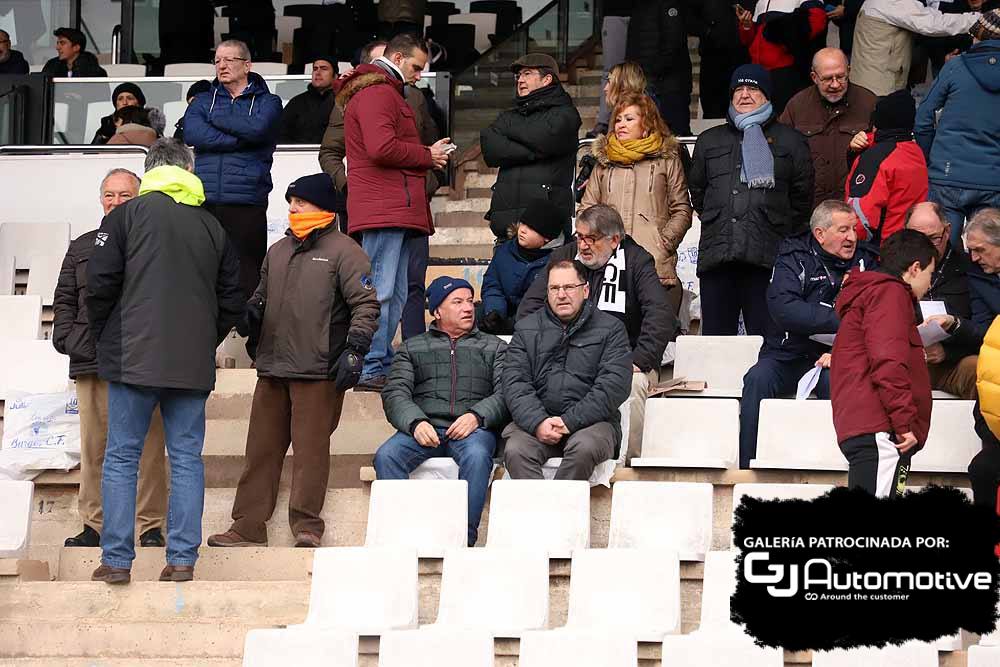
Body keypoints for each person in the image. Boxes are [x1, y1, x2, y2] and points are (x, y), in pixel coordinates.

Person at [86, 139, 243, 584]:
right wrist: (203, 339)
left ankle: (116, 560)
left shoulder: (124, 217)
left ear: (149, 170)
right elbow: (233, 297)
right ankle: (181, 560)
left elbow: (98, 284)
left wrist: (107, 335)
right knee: (187, 458)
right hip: (191, 364)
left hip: (132, 356)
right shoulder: (212, 226)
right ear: (189, 170)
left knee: (120, 458)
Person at [208, 174, 379, 549]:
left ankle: (307, 526)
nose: (293, 208)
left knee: (310, 454)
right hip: (271, 368)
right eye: (290, 202)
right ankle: (248, 525)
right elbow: (261, 296)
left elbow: (365, 304)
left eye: (300, 202)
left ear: (322, 206)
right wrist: (249, 313)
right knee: (260, 452)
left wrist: (355, 350)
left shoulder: (346, 250)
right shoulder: (278, 250)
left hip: (318, 370)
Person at [52, 169, 168, 550]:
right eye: (109, 195)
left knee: (149, 446)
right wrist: (70, 339)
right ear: (100, 199)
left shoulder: (154, 244)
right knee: (94, 447)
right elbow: (65, 299)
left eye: (125, 195)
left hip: (141, 360)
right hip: (92, 360)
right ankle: (94, 525)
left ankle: (149, 525)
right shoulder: (82, 245)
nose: (116, 202)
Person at [333, 33, 453, 392]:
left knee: (396, 292)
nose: (419, 75)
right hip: (384, 207)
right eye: (416, 67)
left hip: (392, 206)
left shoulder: (381, 91)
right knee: (381, 291)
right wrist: (426, 155)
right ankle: (370, 365)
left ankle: (379, 363)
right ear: (397, 58)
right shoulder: (377, 92)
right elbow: (381, 147)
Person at [518, 205, 676, 463]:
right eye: (579, 237)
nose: (582, 246)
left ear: (614, 240)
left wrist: (640, 359)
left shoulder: (636, 260)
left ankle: (627, 466)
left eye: (590, 239)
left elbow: (660, 314)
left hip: (622, 359)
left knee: (634, 385)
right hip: (566, 356)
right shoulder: (565, 256)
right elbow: (529, 309)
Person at [739, 200, 877, 469]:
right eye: (843, 230)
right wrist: (844, 317)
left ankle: (841, 467)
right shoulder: (792, 257)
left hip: (836, 356)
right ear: (820, 234)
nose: (852, 237)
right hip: (785, 354)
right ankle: (747, 467)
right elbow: (785, 310)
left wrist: (838, 340)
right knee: (757, 378)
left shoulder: (867, 260)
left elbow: (876, 312)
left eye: (853, 229)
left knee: (838, 383)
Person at [374, 277, 508, 546]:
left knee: (478, 456)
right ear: (437, 311)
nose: (468, 308)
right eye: (457, 302)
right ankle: (402, 538)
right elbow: (395, 392)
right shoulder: (413, 347)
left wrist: (477, 416)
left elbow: (507, 392)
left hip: (473, 430)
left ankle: (464, 539)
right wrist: (415, 423)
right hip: (424, 428)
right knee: (387, 456)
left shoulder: (495, 347)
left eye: (470, 301)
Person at [688, 64, 815, 336]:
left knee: (767, 340)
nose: (744, 94)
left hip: (769, 258)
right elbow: (697, 192)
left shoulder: (791, 141)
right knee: (716, 344)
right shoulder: (709, 140)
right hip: (718, 257)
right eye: (739, 89)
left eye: (753, 88)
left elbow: (802, 199)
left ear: (768, 95)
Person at [503, 259, 632, 480]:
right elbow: (515, 383)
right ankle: (541, 512)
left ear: (585, 290)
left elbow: (613, 387)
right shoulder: (526, 329)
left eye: (569, 287)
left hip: (593, 425)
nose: (561, 295)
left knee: (584, 448)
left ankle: (558, 512)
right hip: (536, 425)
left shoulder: (611, 329)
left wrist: (569, 422)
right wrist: (538, 422)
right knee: (516, 450)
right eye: (554, 288)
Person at [831, 229, 937, 497]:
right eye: (929, 274)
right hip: (882, 429)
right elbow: (888, 362)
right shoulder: (891, 294)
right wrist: (904, 425)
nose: (930, 284)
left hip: (871, 427)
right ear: (915, 268)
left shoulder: (872, 294)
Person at [183, 39, 283, 301]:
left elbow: (259, 130)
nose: (221, 65)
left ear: (247, 65)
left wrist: (216, 119)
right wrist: (241, 139)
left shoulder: (269, 102)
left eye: (229, 60)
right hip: (205, 200)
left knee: (248, 275)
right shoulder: (204, 100)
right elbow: (193, 134)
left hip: (246, 200)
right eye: (217, 60)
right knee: (203, 272)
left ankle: (249, 336)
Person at [581, 92, 692, 312]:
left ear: (647, 125)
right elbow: (587, 210)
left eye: (629, 119)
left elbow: (681, 209)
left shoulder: (667, 160)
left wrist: (664, 243)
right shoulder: (603, 163)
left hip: (653, 264)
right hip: (607, 265)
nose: (621, 124)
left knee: (653, 336)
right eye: (618, 119)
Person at [916, 10, 1000, 249]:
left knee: (939, 249)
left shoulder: (956, 67)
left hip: (948, 174)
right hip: (994, 179)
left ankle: (939, 285)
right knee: (988, 253)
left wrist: (930, 156)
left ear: (977, 36)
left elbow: (923, 117)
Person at [481, 53, 582, 243]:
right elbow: (491, 149)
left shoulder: (566, 114)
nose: (520, 80)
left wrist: (512, 134)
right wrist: (536, 150)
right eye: (518, 76)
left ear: (547, 79)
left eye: (527, 74)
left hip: (547, 231)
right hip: (507, 227)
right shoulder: (509, 115)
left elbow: (548, 140)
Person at [778, 48, 876, 205]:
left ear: (849, 71)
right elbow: (780, 153)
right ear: (814, 77)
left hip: (854, 202)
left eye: (841, 77)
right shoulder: (797, 106)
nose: (835, 84)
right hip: (810, 205)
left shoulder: (868, 102)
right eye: (827, 79)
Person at [904, 202, 978, 400]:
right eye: (917, 238)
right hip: (905, 362)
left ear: (947, 231)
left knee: (982, 370)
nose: (925, 246)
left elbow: (983, 330)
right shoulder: (894, 263)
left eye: (933, 238)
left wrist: (948, 352)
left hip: (952, 361)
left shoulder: (970, 266)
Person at [923, 209, 1000, 387]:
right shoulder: (979, 278)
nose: (973, 258)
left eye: (980, 250)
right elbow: (984, 331)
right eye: (970, 250)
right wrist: (955, 323)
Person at [845, 89, 928, 247]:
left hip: (881, 253)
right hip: (912, 246)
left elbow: (861, 217)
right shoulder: (916, 151)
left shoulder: (876, 158)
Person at [849, 0, 980, 96]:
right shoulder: (893, 3)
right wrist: (978, 19)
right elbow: (933, 24)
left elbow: (926, 14)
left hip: (865, 79)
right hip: (878, 85)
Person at [479, 199, 564, 335]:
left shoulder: (558, 262)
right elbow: (493, 285)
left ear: (547, 238)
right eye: (523, 223)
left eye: (531, 228)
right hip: (503, 313)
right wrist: (495, 312)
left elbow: (549, 303)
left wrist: (515, 323)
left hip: (536, 323)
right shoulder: (504, 251)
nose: (523, 230)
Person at [735, 0, 829, 115]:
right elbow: (749, 40)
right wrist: (746, 26)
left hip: (787, 70)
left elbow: (817, 21)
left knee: (787, 119)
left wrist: (785, 41)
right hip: (760, 72)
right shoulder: (761, 1)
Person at [625, 0, 693, 136]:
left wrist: (652, 71)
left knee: (674, 134)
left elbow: (673, 43)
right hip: (648, 81)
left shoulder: (669, 5)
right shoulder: (639, 7)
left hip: (669, 86)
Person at [687, 1, 750, 119]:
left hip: (743, 57)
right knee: (713, 111)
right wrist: (708, 31)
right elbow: (688, 17)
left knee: (744, 109)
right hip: (712, 57)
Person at [280, 57, 337, 144]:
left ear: (335, 76)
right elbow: (281, 133)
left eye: (324, 69)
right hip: (298, 154)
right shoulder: (297, 102)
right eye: (315, 69)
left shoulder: (342, 101)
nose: (318, 73)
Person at [42, 27, 107, 77]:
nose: (57, 47)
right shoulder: (51, 67)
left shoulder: (95, 71)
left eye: (62, 43)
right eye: (57, 43)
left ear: (76, 47)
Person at [173, 80, 211, 144]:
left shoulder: (224, 123)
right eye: (190, 105)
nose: (192, 108)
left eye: (195, 103)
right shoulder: (183, 125)